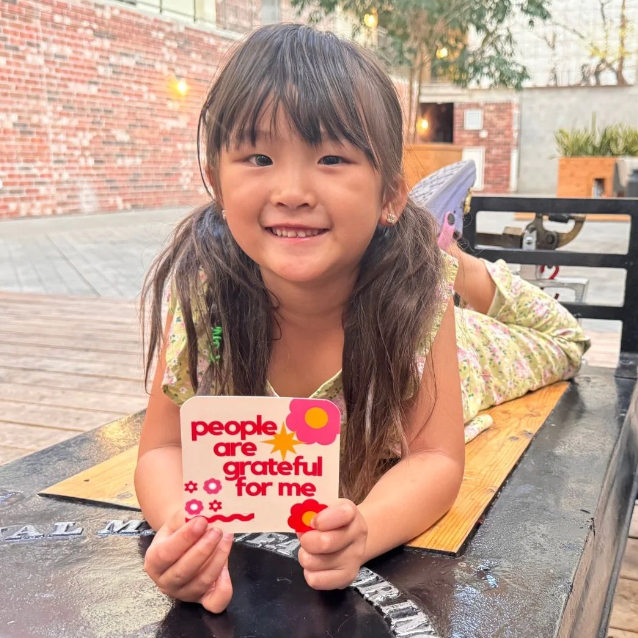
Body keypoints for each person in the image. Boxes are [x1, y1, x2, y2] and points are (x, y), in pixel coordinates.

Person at [135, 23, 590, 614]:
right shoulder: (205, 296)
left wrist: (367, 529)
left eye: (331, 158)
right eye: (259, 157)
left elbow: (436, 459)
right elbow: (161, 448)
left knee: (564, 338)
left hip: (453, 349)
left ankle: (452, 253)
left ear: (390, 196)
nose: (291, 191)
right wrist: (183, 529)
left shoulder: (420, 302)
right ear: (218, 181)